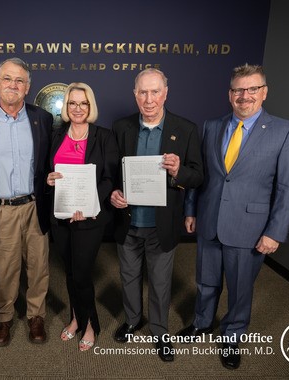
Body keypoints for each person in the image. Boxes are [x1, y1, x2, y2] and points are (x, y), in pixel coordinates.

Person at [178, 64, 289, 370]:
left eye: (252, 89)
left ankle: (232, 335)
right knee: (206, 281)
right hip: (209, 220)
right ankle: (202, 322)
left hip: (250, 227)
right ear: (229, 93)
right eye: (238, 89)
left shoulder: (285, 131)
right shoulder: (211, 126)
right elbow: (200, 175)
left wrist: (275, 232)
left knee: (240, 288)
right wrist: (191, 210)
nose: (244, 96)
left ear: (264, 92)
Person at [110, 68, 203, 362]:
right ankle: (133, 320)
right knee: (128, 277)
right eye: (142, 92)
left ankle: (160, 332)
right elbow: (112, 172)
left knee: (161, 283)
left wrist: (178, 172)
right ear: (134, 95)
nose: (149, 99)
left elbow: (198, 176)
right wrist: (112, 193)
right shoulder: (121, 127)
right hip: (128, 220)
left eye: (155, 92)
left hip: (161, 223)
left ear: (165, 93)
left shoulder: (185, 129)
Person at [0, 57, 53, 346]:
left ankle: (36, 315)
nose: (13, 85)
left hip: (35, 204)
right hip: (2, 208)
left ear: (28, 87)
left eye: (19, 81)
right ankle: (3, 318)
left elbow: (48, 162)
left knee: (38, 265)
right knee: (4, 267)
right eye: (7, 79)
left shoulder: (43, 118)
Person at [46, 83, 118, 351]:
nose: (78, 108)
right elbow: (47, 172)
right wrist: (49, 179)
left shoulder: (104, 137)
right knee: (69, 271)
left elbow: (109, 179)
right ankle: (76, 318)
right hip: (61, 215)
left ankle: (90, 324)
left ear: (91, 107)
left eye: (83, 103)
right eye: (72, 103)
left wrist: (88, 204)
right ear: (66, 107)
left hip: (89, 218)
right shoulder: (56, 135)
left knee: (82, 275)